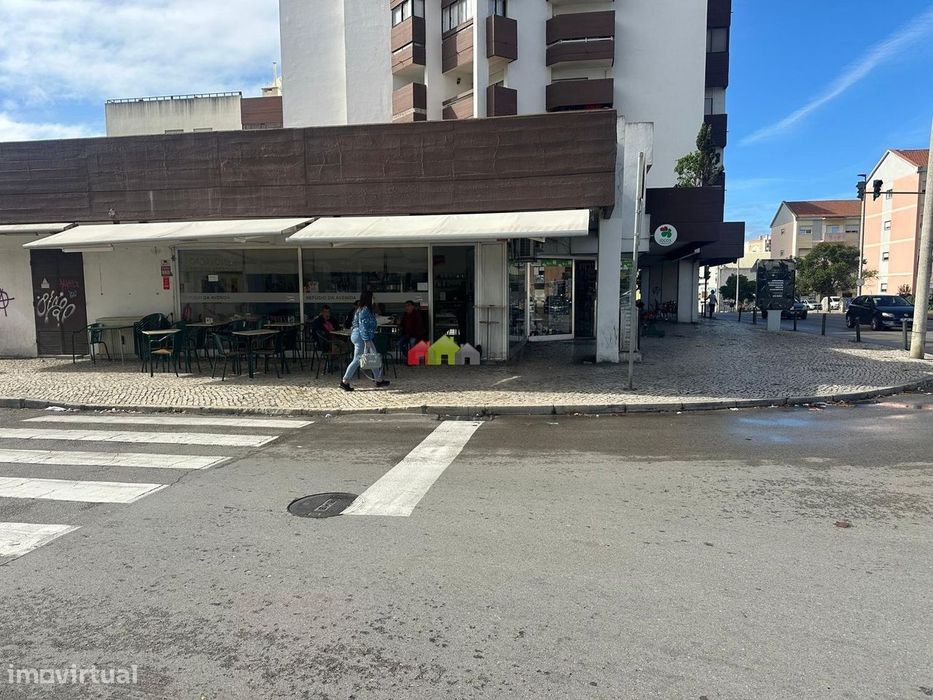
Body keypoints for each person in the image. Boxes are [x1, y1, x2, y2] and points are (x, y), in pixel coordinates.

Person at [340, 291, 389, 391]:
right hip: (362, 337)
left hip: (361, 336)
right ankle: (345, 381)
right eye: (373, 297)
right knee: (358, 359)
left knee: (372, 357)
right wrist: (366, 340)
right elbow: (363, 326)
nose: (374, 299)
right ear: (368, 298)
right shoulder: (365, 310)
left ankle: (378, 380)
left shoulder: (364, 310)